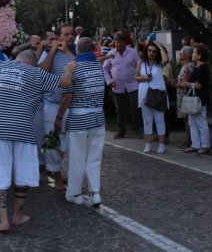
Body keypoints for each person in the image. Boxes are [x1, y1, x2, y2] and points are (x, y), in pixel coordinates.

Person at [0, 44, 73, 232]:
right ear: (32, 62)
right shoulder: (36, 73)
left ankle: (3, 220)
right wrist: (70, 68)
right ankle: (17, 216)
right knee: (23, 173)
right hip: (23, 132)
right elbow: (65, 83)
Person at [56, 37, 106, 206]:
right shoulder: (98, 66)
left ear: (78, 49)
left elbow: (67, 95)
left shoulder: (74, 68)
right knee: (94, 158)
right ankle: (95, 192)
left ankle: (74, 192)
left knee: (77, 157)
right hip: (98, 118)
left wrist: (59, 117)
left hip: (79, 118)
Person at [38, 24, 76, 191]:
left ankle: (66, 171)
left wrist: (67, 51)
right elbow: (41, 71)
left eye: (71, 34)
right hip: (52, 105)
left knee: (70, 141)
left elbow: (79, 69)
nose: (69, 37)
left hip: (72, 105)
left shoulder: (74, 53)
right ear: (59, 37)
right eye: (66, 34)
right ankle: (57, 174)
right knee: (53, 141)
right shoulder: (48, 54)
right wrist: (52, 50)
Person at [103, 32, 140, 139]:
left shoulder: (132, 52)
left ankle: (136, 129)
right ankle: (121, 130)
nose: (118, 44)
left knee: (134, 107)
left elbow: (139, 66)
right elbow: (105, 68)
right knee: (120, 109)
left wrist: (139, 78)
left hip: (133, 85)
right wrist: (109, 80)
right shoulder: (111, 53)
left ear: (125, 42)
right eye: (116, 42)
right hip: (117, 86)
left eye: (120, 42)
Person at [135, 41, 168, 154]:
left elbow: (165, 59)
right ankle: (148, 144)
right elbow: (136, 77)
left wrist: (160, 46)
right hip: (144, 94)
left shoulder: (159, 63)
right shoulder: (141, 62)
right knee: (147, 120)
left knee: (159, 120)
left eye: (154, 51)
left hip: (157, 94)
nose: (151, 53)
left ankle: (162, 143)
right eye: (149, 50)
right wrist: (144, 78)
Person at [178, 45, 211, 154]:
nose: (192, 54)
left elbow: (199, 85)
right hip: (195, 98)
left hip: (200, 98)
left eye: (194, 52)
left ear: (200, 55)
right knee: (192, 122)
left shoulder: (203, 68)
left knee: (201, 122)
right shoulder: (197, 67)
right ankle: (195, 144)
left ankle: (205, 145)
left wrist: (186, 83)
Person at [174, 46, 195, 149]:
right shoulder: (186, 65)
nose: (179, 54)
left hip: (185, 96)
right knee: (186, 120)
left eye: (181, 53)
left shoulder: (188, 67)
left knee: (187, 119)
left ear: (187, 55)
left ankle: (188, 141)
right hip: (182, 95)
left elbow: (185, 83)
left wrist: (176, 85)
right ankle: (188, 140)